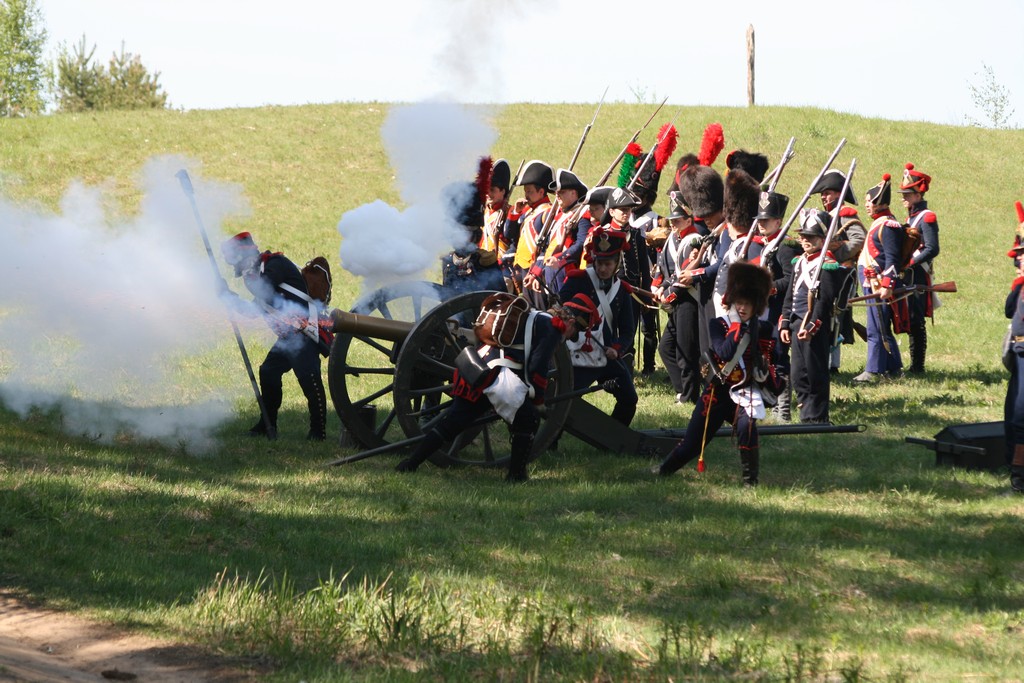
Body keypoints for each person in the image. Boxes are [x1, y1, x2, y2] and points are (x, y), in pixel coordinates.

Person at [395, 293, 598, 482]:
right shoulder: (552, 327)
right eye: (574, 333)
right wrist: (537, 400)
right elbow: (538, 366)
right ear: (571, 322)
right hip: (496, 377)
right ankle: (516, 476)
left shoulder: (535, 315)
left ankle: (410, 464)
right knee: (529, 419)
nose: (569, 337)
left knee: (452, 423)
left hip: (476, 371)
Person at [653, 261, 781, 486]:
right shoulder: (719, 325)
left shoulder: (765, 330)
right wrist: (738, 328)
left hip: (745, 392)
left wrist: (770, 374)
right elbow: (725, 351)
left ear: (756, 305)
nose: (742, 308)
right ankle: (664, 470)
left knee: (747, 428)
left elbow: (778, 364)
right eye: (739, 302)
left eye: (747, 303)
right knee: (692, 443)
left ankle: (750, 482)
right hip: (717, 393)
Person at [220, 232, 328, 441]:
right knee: (268, 372)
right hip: (288, 338)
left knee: (309, 380)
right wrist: (226, 295)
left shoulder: (275, 264)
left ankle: (318, 432)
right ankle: (267, 424)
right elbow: (252, 311)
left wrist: (247, 277)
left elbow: (266, 291)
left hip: (304, 333)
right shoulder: (261, 275)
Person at [559, 217, 640, 426]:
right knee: (562, 401)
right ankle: (553, 439)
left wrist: (617, 349)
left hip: (606, 355)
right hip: (578, 353)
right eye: (600, 263)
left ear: (617, 263)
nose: (603, 269)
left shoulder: (622, 291)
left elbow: (628, 330)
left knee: (629, 399)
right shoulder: (577, 280)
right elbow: (559, 310)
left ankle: (616, 435)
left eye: (608, 264)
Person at [779, 210, 847, 424]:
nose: (805, 240)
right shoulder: (799, 261)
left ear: (822, 239)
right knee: (798, 373)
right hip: (796, 322)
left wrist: (811, 327)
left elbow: (824, 302)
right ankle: (805, 413)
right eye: (803, 236)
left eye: (811, 237)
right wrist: (785, 322)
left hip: (812, 326)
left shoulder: (827, 265)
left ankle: (817, 416)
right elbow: (790, 295)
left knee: (815, 371)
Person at [810, 168, 865, 373]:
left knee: (835, 319)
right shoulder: (828, 216)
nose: (824, 197)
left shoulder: (845, 214)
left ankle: (833, 365)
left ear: (839, 193)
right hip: (830, 272)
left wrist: (836, 255)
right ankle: (829, 363)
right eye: (822, 194)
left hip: (842, 273)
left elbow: (859, 240)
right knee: (829, 318)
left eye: (828, 193)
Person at [854, 173, 907, 382]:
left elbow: (892, 258)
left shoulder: (888, 225)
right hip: (872, 282)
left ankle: (874, 370)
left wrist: (887, 284)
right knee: (880, 326)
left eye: (870, 201)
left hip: (879, 284)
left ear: (881, 203)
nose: (867, 205)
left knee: (877, 327)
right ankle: (894, 368)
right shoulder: (880, 223)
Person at [654, 193, 703, 405]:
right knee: (665, 348)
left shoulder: (694, 240)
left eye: (678, 220)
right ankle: (682, 390)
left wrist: (668, 295)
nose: (673, 224)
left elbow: (685, 276)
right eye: (672, 220)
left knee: (686, 351)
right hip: (676, 300)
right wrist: (659, 287)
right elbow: (668, 270)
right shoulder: (674, 239)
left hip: (688, 300)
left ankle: (689, 395)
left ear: (689, 220)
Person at [755, 190, 798, 421]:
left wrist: (768, 287)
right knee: (768, 357)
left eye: (766, 220)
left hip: (780, 309)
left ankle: (783, 410)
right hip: (766, 310)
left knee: (779, 357)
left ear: (778, 222)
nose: (761, 224)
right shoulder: (768, 244)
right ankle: (772, 403)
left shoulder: (785, 245)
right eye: (760, 220)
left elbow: (791, 279)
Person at [899, 162, 940, 374]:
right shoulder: (911, 218)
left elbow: (932, 248)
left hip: (918, 273)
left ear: (918, 195)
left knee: (916, 320)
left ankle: (918, 366)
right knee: (908, 317)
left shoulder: (927, 217)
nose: (903, 198)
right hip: (909, 273)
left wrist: (910, 262)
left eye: (907, 194)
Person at [536, 168, 591, 296]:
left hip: (566, 270)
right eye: (556, 193)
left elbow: (580, 244)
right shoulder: (559, 216)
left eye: (562, 192)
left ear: (573, 193)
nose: (557, 195)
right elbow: (547, 246)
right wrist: (536, 271)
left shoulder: (582, 215)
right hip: (550, 268)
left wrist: (560, 258)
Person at [505, 160, 554, 299]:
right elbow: (509, 234)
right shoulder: (527, 211)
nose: (526, 195)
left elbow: (548, 246)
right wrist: (515, 212)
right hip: (523, 268)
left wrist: (538, 268)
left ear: (541, 192)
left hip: (537, 268)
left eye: (530, 191)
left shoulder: (547, 212)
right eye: (525, 191)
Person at [1003, 234, 1024, 495]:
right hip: (1019, 352)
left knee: (1021, 416)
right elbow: (1009, 310)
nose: (1018, 260)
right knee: (1013, 415)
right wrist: (1018, 283)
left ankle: (1019, 477)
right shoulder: (1021, 285)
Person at [481, 158, 514, 293]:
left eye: (492, 190)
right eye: (487, 190)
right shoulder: (483, 212)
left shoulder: (511, 213)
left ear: (503, 191)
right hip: (483, 266)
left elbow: (514, 244)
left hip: (503, 268)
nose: (488, 194)